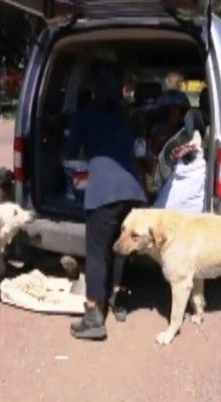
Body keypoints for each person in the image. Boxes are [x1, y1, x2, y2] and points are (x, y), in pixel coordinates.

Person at [63, 63, 146, 340]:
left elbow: (71, 151)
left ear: (93, 91)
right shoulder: (124, 116)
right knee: (121, 247)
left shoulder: (85, 115)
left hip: (103, 194)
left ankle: (93, 317)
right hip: (134, 191)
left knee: (97, 252)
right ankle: (116, 300)